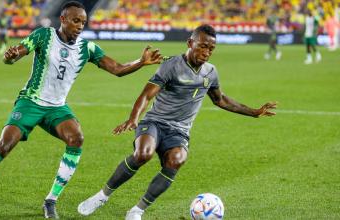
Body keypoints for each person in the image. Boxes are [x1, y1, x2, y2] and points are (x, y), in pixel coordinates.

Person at [0, 1, 162, 219]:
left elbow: (118, 69)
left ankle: (51, 201)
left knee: (76, 138)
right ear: (63, 19)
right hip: (31, 102)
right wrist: (11, 56)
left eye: (83, 22)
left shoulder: (87, 48)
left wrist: (140, 62)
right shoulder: (44, 35)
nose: (79, 26)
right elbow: (18, 51)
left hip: (57, 107)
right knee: (4, 146)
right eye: (75, 20)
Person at [77, 24, 277, 220]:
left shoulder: (210, 72)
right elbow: (147, 95)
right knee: (143, 154)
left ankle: (137, 210)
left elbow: (220, 99)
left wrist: (254, 112)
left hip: (179, 131)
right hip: (155, 122)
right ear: (190, 42)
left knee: (177, 160)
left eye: (211, 49)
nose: (207, 52)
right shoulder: (171, 66)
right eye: (202, 46)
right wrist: (133, 119)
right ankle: (101, 196)